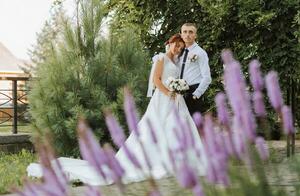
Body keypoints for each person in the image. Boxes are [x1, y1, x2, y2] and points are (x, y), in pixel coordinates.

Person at [27, 34, 207, 186]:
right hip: (163, 99)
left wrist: (178, 88)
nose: (178, 48)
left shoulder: (175, 62)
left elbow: (172, 79)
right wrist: (169, 91)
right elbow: (156, 81)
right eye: (177, 45)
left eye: (181, 47)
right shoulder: (160, 58)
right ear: (170, 43)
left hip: (175, 101)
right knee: (156, 128)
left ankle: (179, 162)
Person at [178, 23, 212, 115]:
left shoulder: (200, 53)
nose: (187, 35)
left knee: (193, 126)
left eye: (190, 32)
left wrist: (196, 94)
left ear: (195, 35)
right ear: (181, 34)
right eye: (185, 32)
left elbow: (207, 77)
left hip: (193, 92)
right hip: (178, 92)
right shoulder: (179, 51)